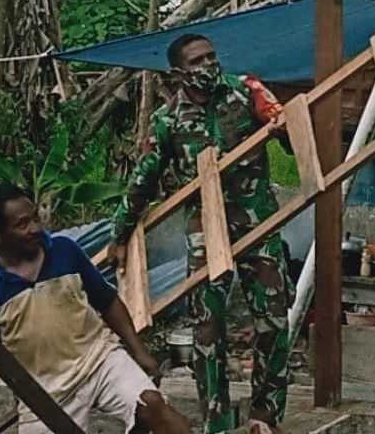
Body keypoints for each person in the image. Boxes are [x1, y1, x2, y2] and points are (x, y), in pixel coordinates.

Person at [108, 33, 294, 434]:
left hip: (257, 223)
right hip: (205, 233)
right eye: (197, 61)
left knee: (274, 322)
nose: (209, 65)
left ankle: (265, 416)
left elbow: (288, 133)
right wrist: (119, 235)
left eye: (211, 56)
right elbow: (142, 182)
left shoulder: (246, 92)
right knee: (208, 332)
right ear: (178, 73)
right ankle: (218, 421)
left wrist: (284, 127)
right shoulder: (168, 120)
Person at [0, 184, 190, 434]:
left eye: (35, 217)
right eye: (23, 224)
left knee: (153, 405)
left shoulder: (64, 252)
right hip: (43, 392)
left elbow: (107, 301)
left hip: (99, 360)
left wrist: (138, 351)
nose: (35, 228)